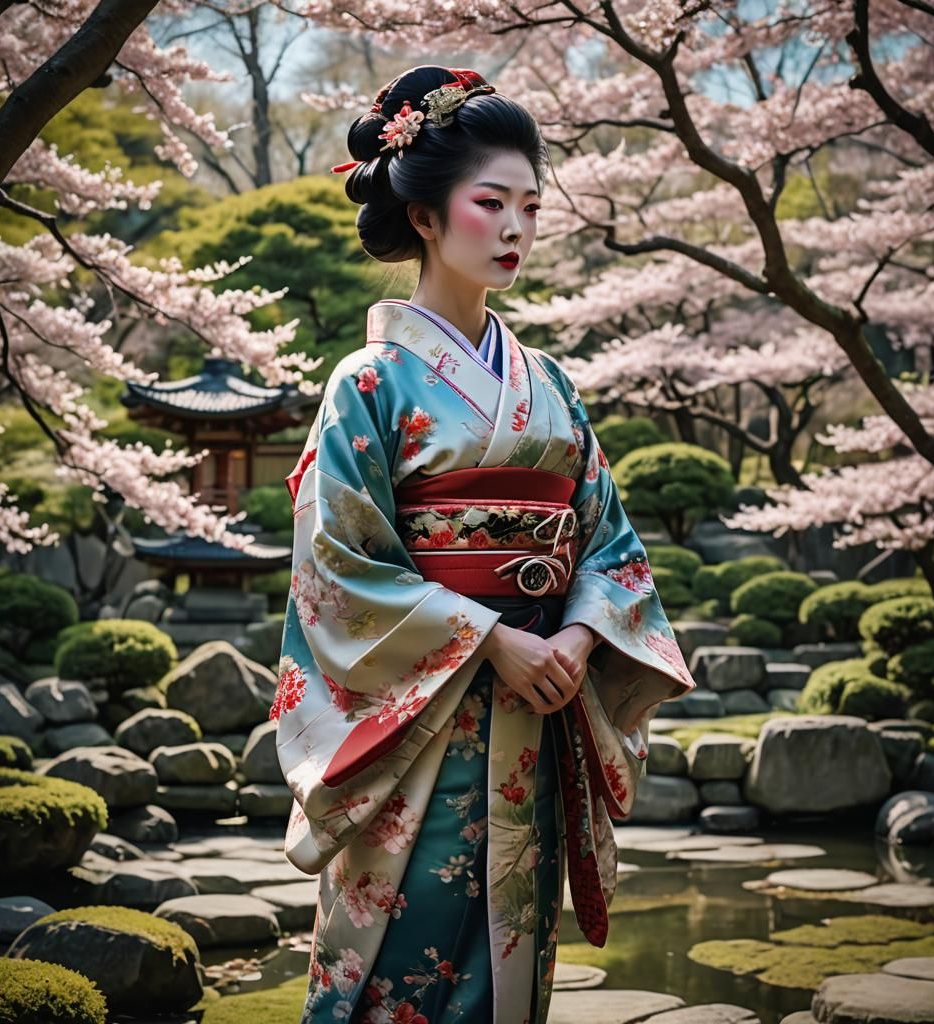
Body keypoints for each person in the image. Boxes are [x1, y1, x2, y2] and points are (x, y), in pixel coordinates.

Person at [274, 64, 696, 1024]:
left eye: (531, 207)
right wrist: (493, 639)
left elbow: (609, 541)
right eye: (490, 202)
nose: (515, 228)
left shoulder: (547, 381)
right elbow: (338, 572)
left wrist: (577, 642)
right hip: (420, 734)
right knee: (406, 968)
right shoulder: (368, 385)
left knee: (513, 969)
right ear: (425, 217)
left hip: (539, 712)